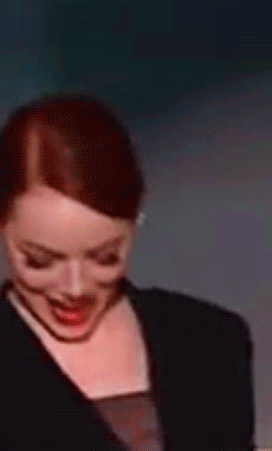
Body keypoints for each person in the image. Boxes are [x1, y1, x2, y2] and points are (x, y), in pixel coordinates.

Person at [0, 94, 254, 451]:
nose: (75, 288)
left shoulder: (209, 340)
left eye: (104, 257)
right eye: (40, 261)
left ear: (135, 222)